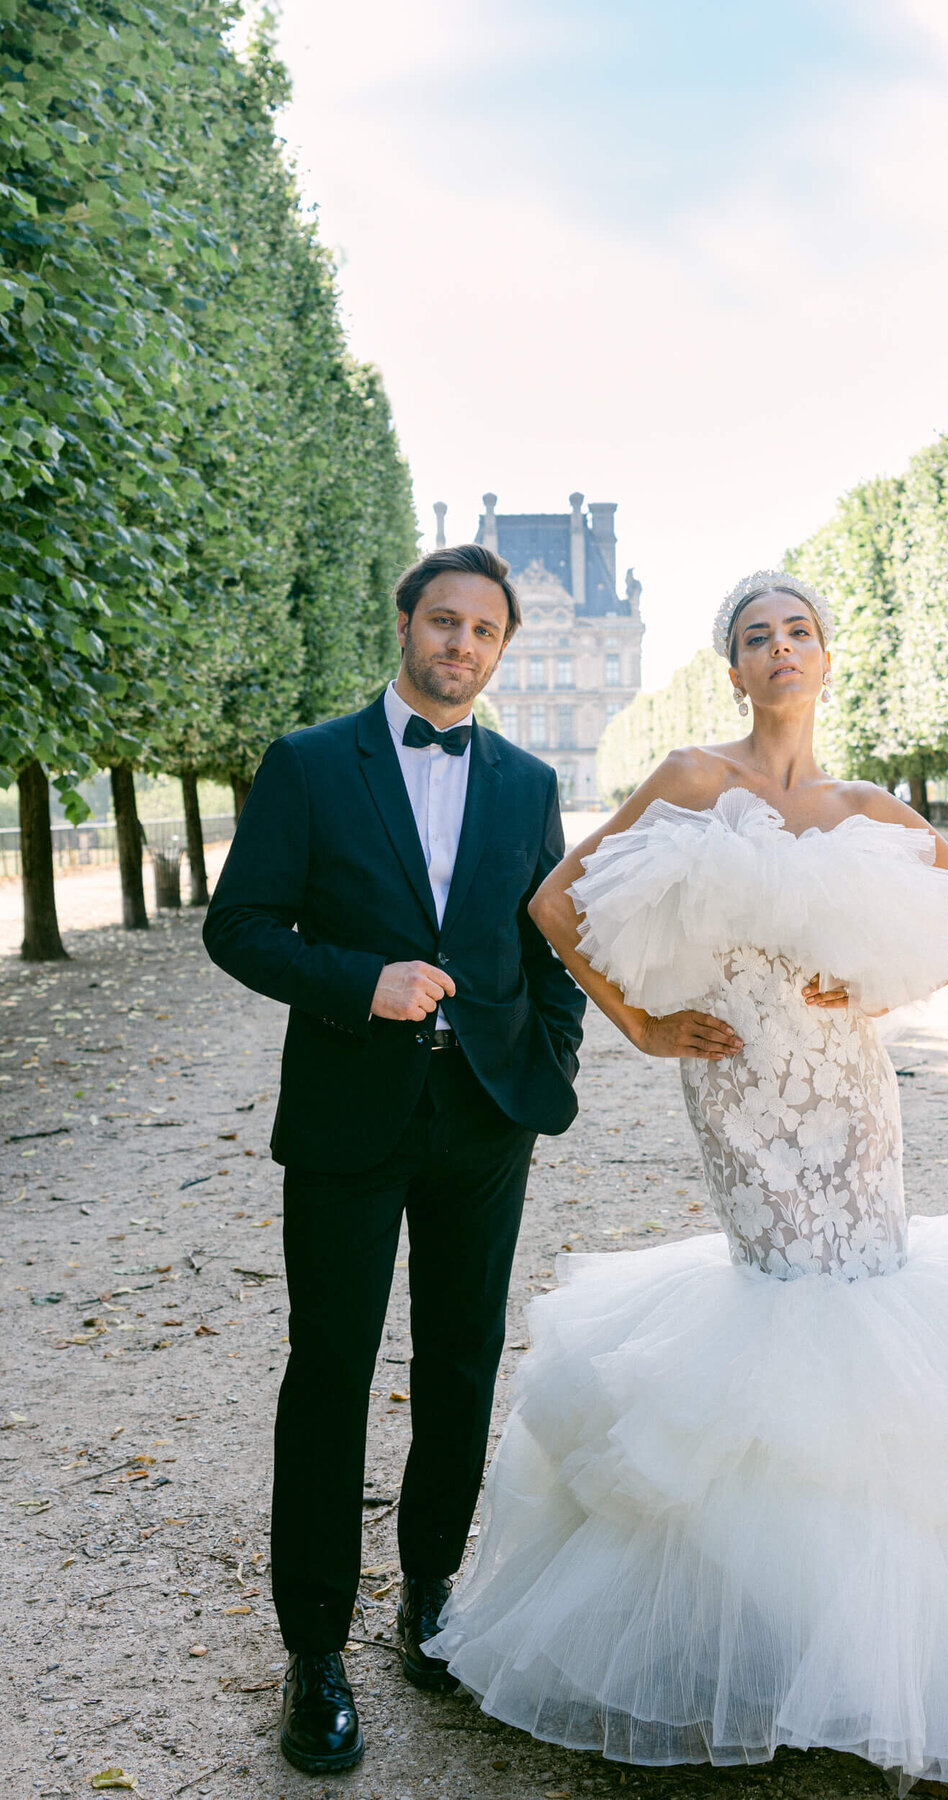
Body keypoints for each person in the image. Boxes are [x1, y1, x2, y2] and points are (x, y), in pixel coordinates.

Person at [426, 570, 948, 1791]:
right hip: (739, 1093)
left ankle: (889, 1643)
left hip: (851, 1095)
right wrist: (636, 1022)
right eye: (754, 637)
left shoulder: (867, 806)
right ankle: (784, 1631)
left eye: (797, 632)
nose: (779, 649)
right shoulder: (689, 776)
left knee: (873, 1306)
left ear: (826, 656)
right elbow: (554, 903)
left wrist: (888, 993)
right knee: (787, 1305)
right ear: (731, 669)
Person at [202, 543, 586, 1776]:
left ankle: (429, 1597)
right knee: (330, 1372)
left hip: (483, 1118)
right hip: (347, 1120)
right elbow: (241, 927)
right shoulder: (311, 764)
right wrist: (359, 983)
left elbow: (549, 950)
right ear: (407, 625)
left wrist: (546, 1074)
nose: (461, 645)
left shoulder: (526, 784)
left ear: (501, 649)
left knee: (464, 1361)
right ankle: (314, 1648)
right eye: (443, 622)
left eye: (484, 631)